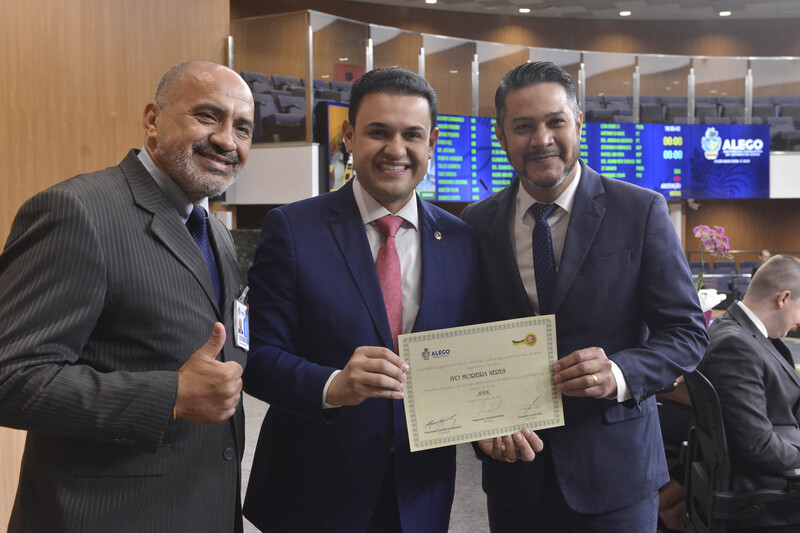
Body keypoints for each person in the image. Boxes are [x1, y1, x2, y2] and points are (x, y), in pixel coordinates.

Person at [242, 67, 528, 533]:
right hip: (313, 491)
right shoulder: (292, 229)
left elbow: (472, 356)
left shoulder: (461, 240)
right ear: (349, 137)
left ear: (431, 143)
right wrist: (333, 385)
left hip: (419, 494)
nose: (396, 149)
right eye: (379, 132)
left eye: (411, 134)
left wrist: (491, 422)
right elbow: (257, 357)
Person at [0, 61, 254, 532]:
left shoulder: (215, 233)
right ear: (153, 120)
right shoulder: (77, 212)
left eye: (242, 128)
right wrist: (169, 396)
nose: (226, 140)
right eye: (207, 116)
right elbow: (10, 377)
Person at [460, 61, 709, 532]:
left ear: (578, 123)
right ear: (501, 135)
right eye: (523, 126)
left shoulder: (640, 210)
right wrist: (480, 422)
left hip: (617, 475)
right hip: (516, 473)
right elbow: (467, 335)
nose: (542, 139)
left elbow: (687, 334)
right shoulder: (476, 223)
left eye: (555, 121)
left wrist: (619, 372)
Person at [698, 254, 800, 531]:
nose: (798, 322)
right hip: (768, 492)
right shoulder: (735, 346)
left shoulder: (740, 331)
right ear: (783, 299)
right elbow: (756, 443)